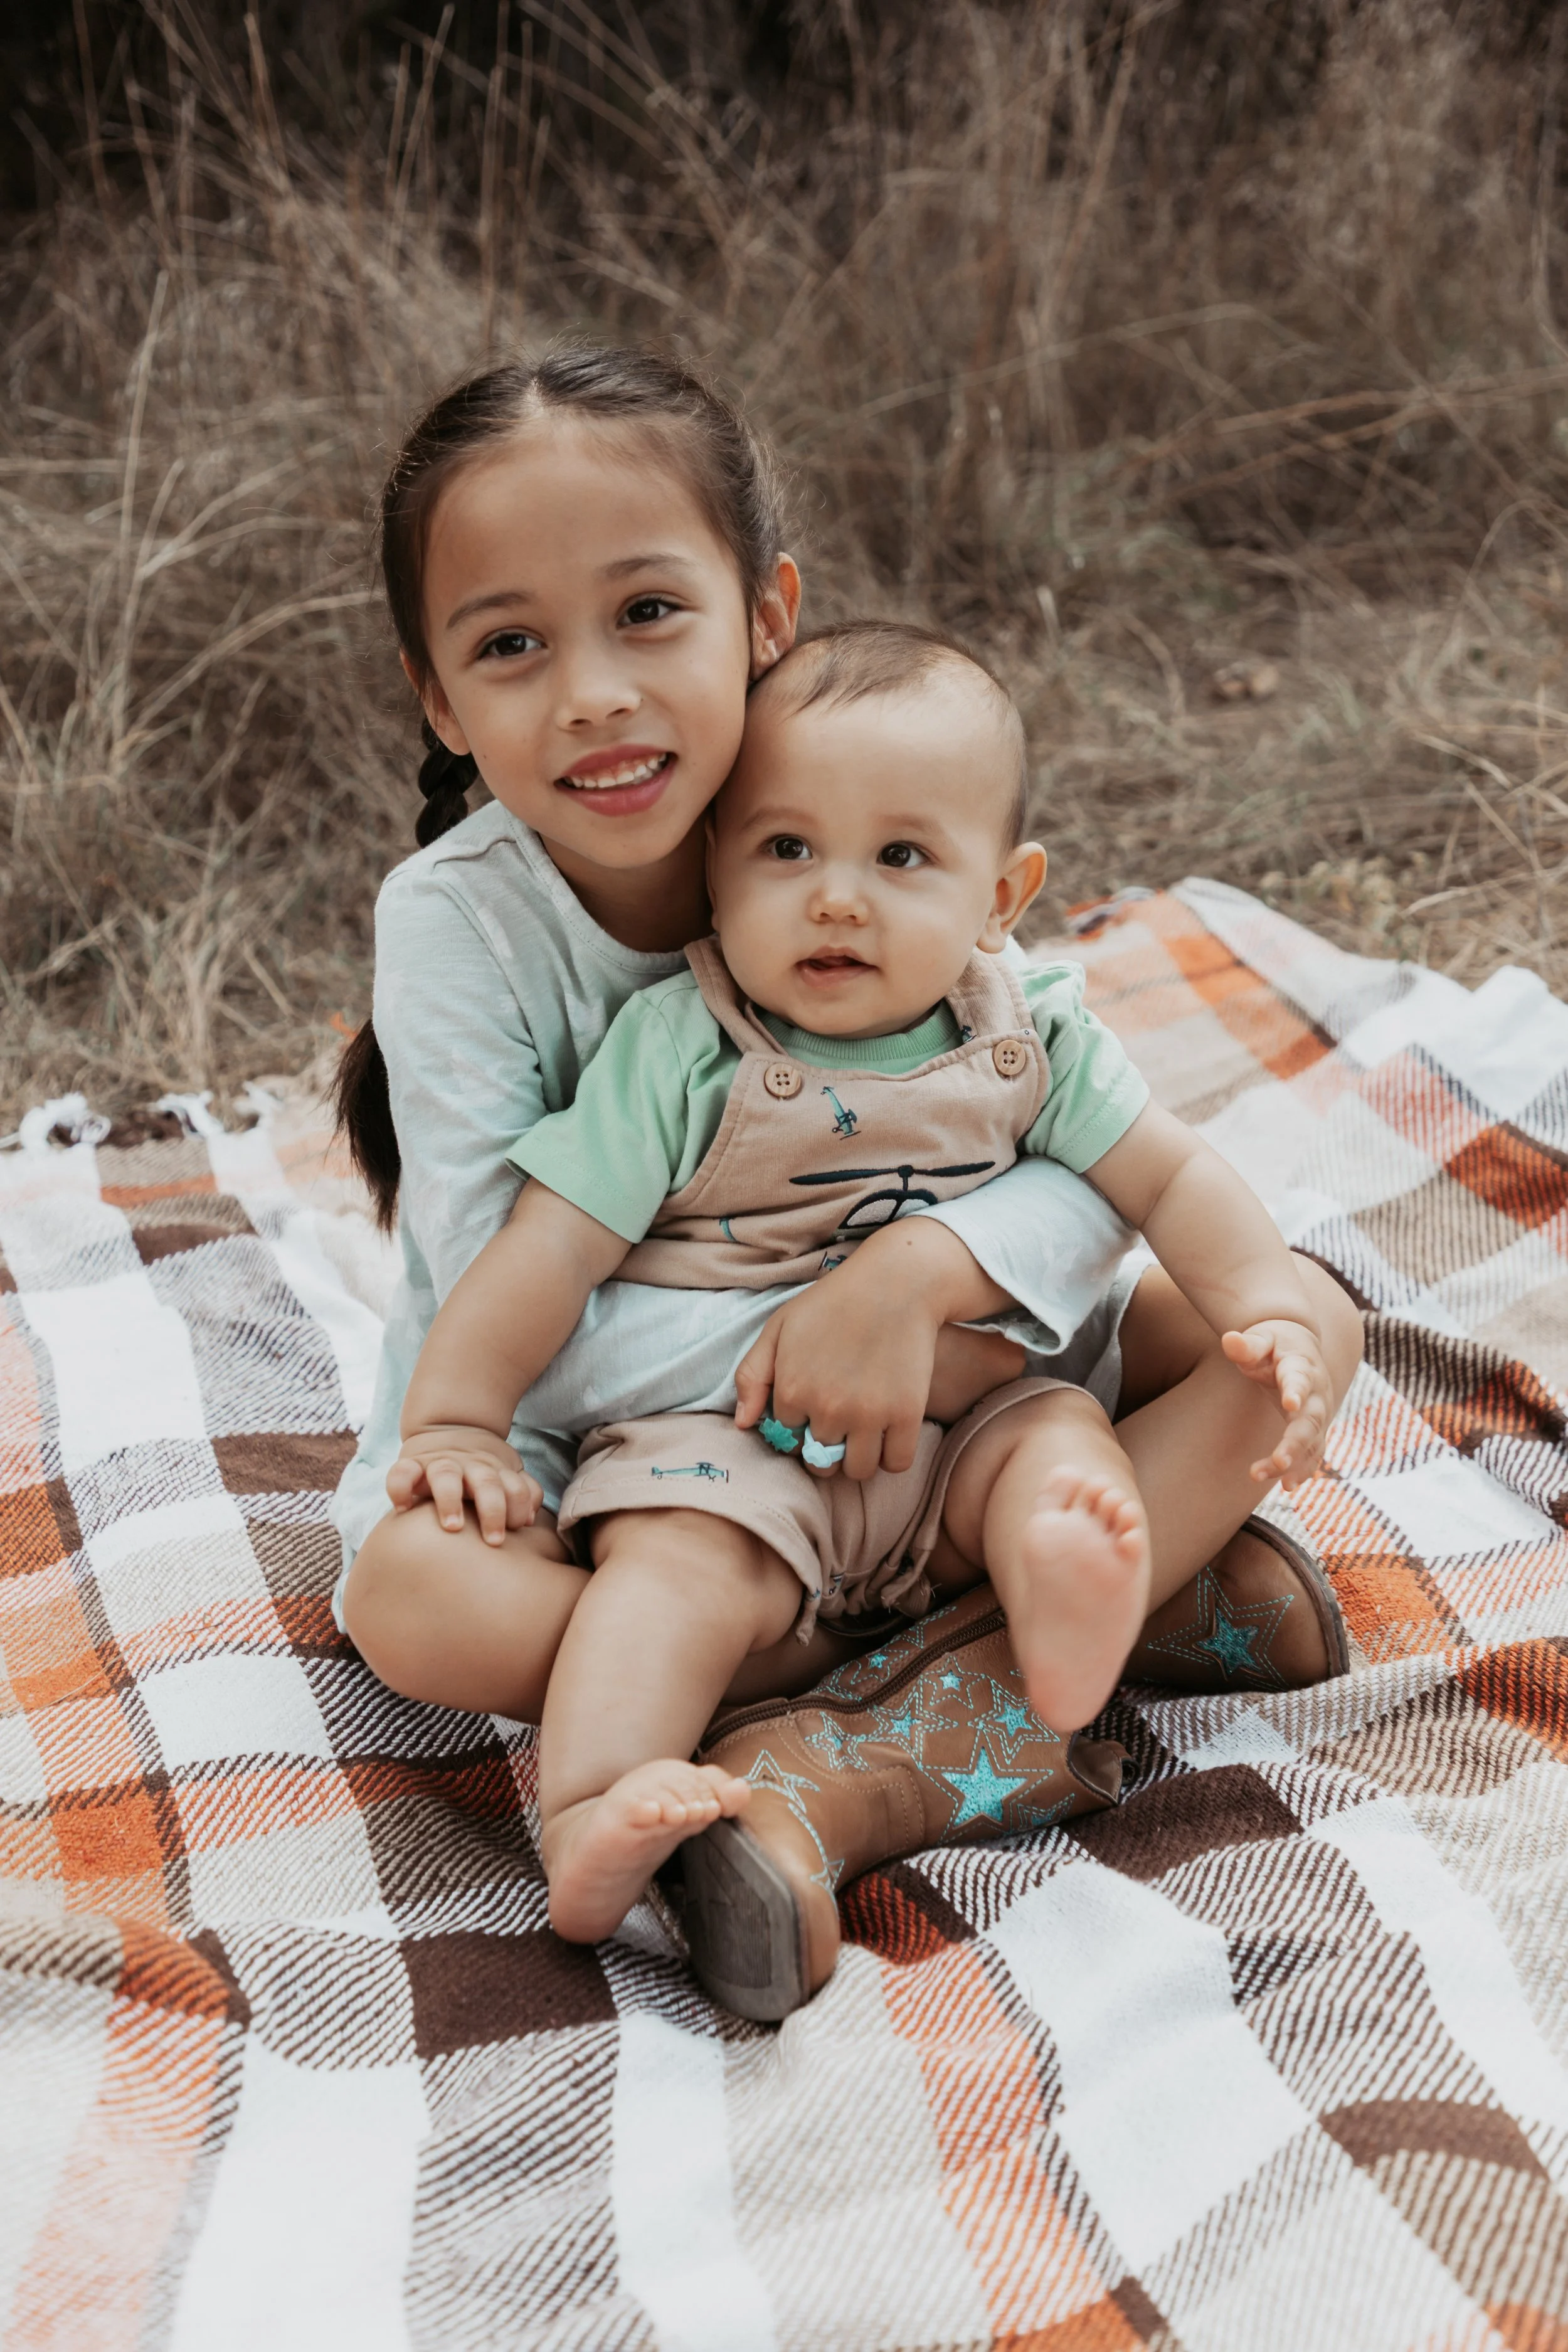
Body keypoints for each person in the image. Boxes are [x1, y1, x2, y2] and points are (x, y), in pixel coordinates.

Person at [333, 345, 1360, 2008]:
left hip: (967, 1410)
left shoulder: (871, 782)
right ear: (440, 700)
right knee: (408, 1602)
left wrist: (920, 1295)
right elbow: (511, 1284)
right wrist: (841, 1354)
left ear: (765, 614)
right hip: (648, 1456)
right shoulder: (478, 934)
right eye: (511, 645)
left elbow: (1097, 1158)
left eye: (646, 612)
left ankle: (877, 1702)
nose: (592, 690)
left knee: (1295, 1318)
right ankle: (974, 1686)